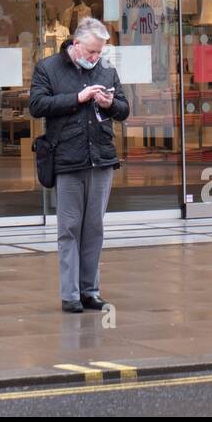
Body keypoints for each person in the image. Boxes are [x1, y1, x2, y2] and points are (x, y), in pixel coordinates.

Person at [29, 17, 130, 313]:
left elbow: (124, 109)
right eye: (90, 52)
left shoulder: (106, 70)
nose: (95, 58)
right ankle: (70, 294)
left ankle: (90, 291)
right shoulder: (48, 68)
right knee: (69, 228)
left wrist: (110, 104)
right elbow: (36, 106)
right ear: (75, 45)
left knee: (94, 228)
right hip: (67, 159)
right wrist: (77, 98)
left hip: (101, 157)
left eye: (99, 53)